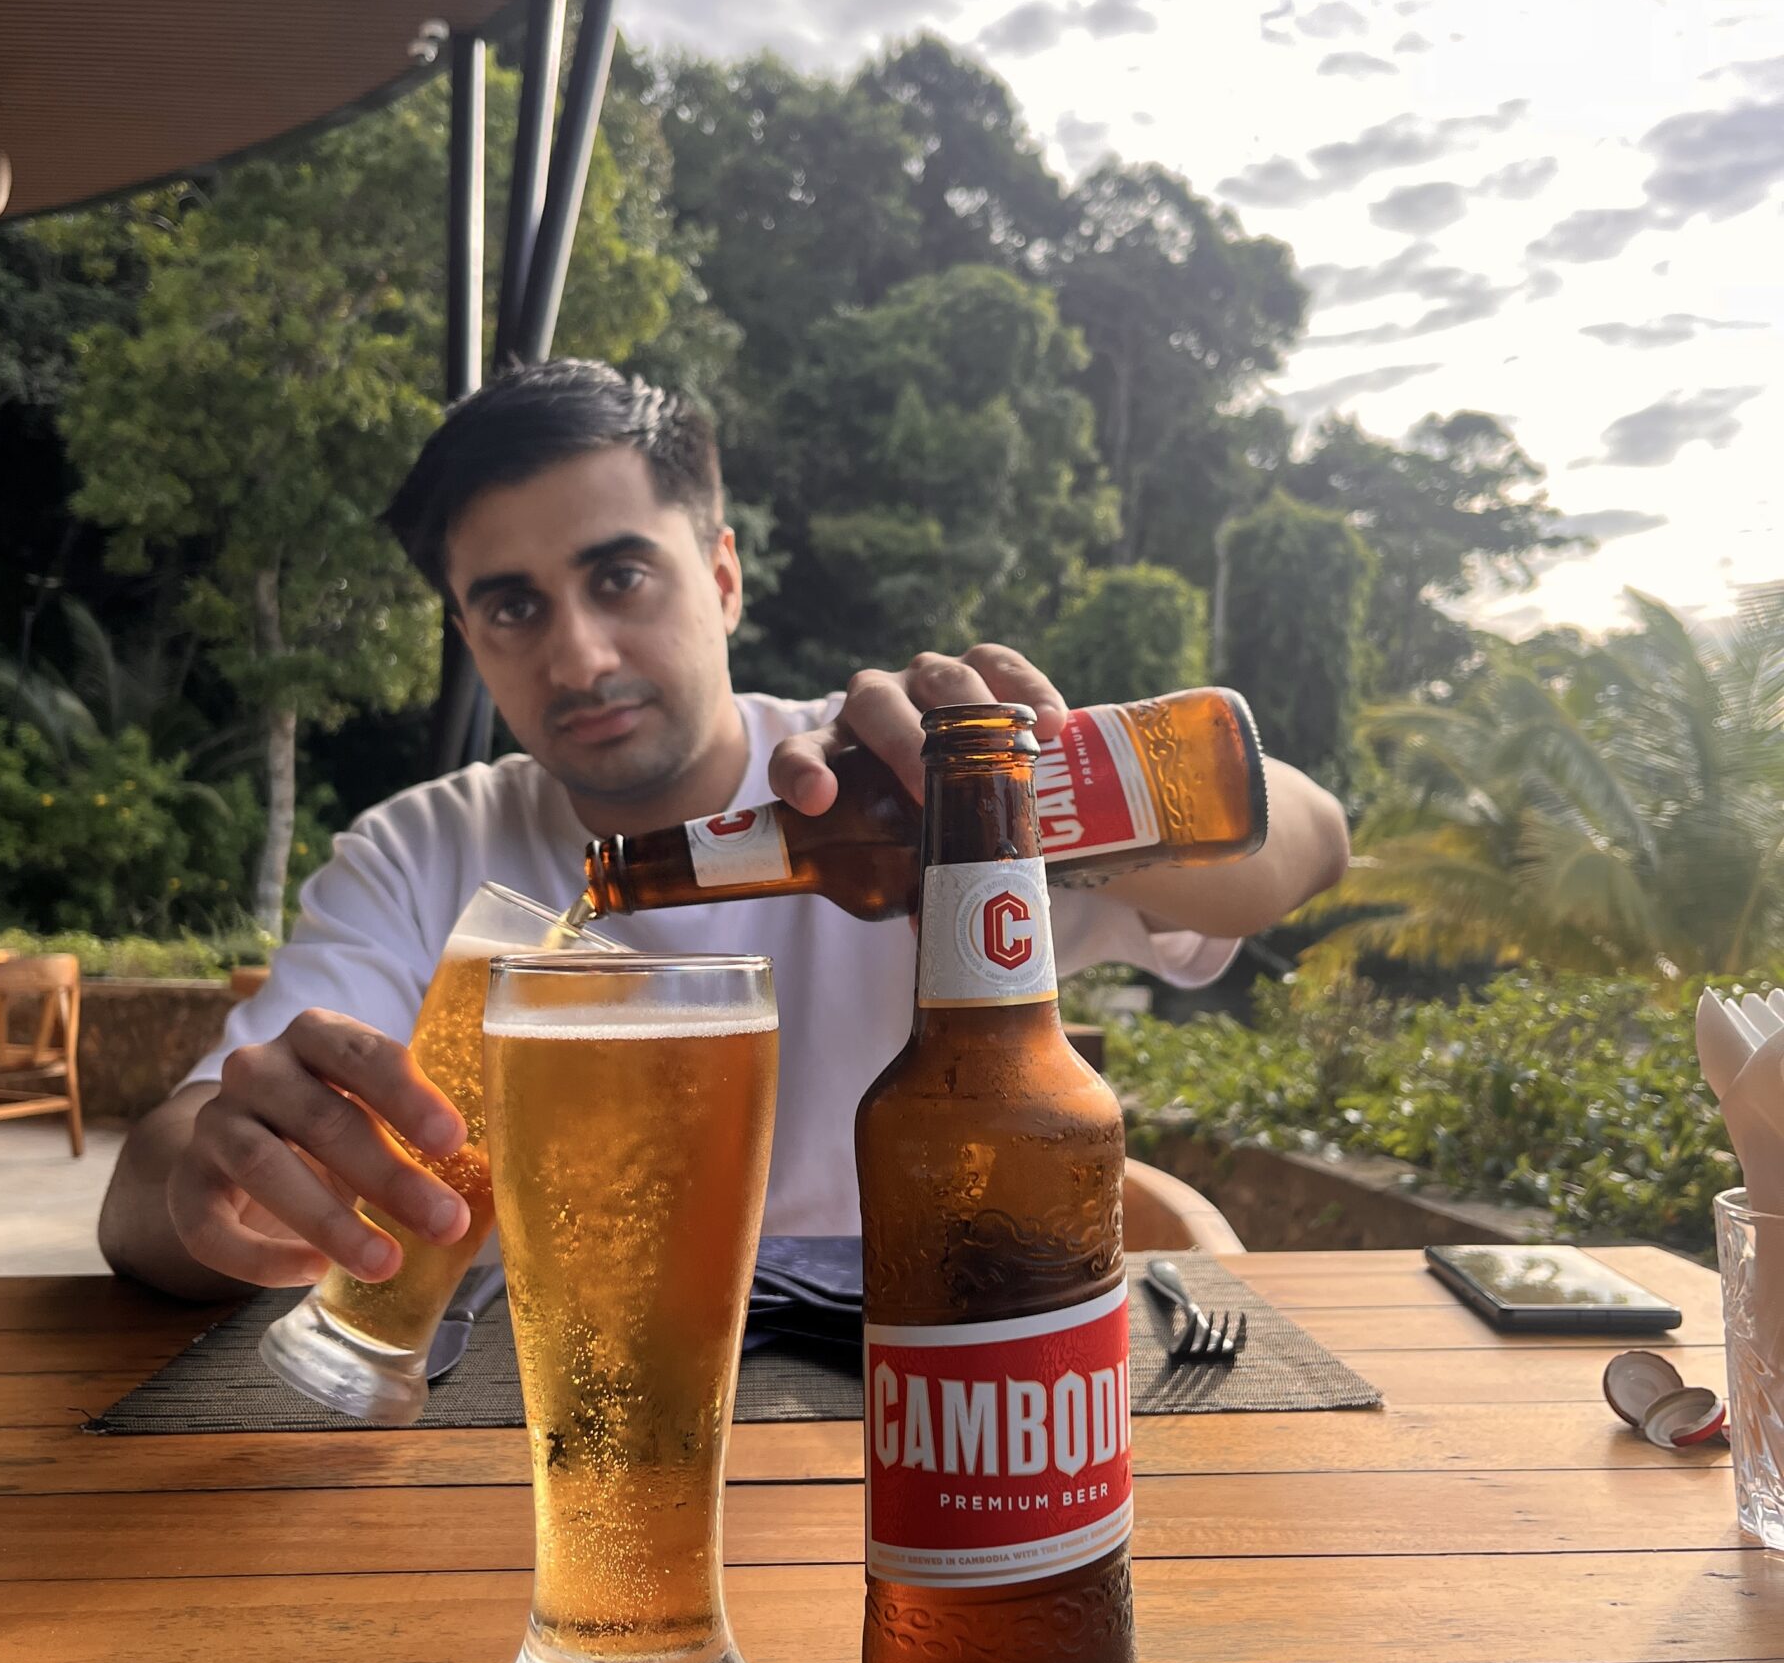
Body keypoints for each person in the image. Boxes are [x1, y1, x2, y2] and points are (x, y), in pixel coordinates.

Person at [99, 361, 1350, 1297]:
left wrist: (1042, 807)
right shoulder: (422, 849)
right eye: (513, 606)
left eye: (619, 577)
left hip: (909, 1411)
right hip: (544, 1443)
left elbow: (1309, 841)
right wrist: (218, 1177)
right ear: (471, 638)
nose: (579, 654)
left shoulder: (904, 787)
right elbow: (151, 1187)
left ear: (724, 576)